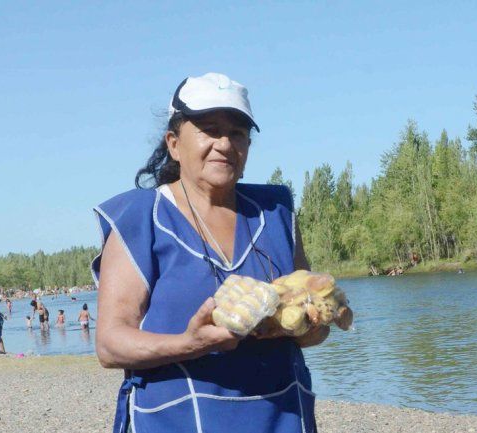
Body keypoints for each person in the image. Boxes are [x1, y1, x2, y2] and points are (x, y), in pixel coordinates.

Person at [92, 73, 326, 432]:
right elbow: (110, 345)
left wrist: (312, 321)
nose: (224, 143)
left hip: (281, 417)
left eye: (237, 132)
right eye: (209, 129)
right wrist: (189, 344)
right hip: (174, 418)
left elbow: (311, 330)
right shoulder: (141, 219)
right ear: (173, 143)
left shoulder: (275, 214)